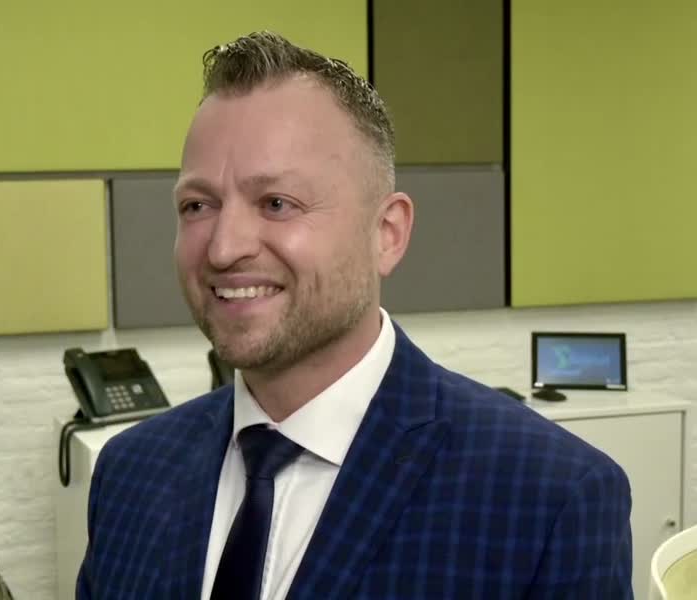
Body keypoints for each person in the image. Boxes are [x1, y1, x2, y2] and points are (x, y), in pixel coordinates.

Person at [76, 31, 632, 599]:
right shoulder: (129, 473)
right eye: (198, 205)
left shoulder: (548, 499)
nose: (223, 248)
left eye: (277, 203)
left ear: (386, 234)